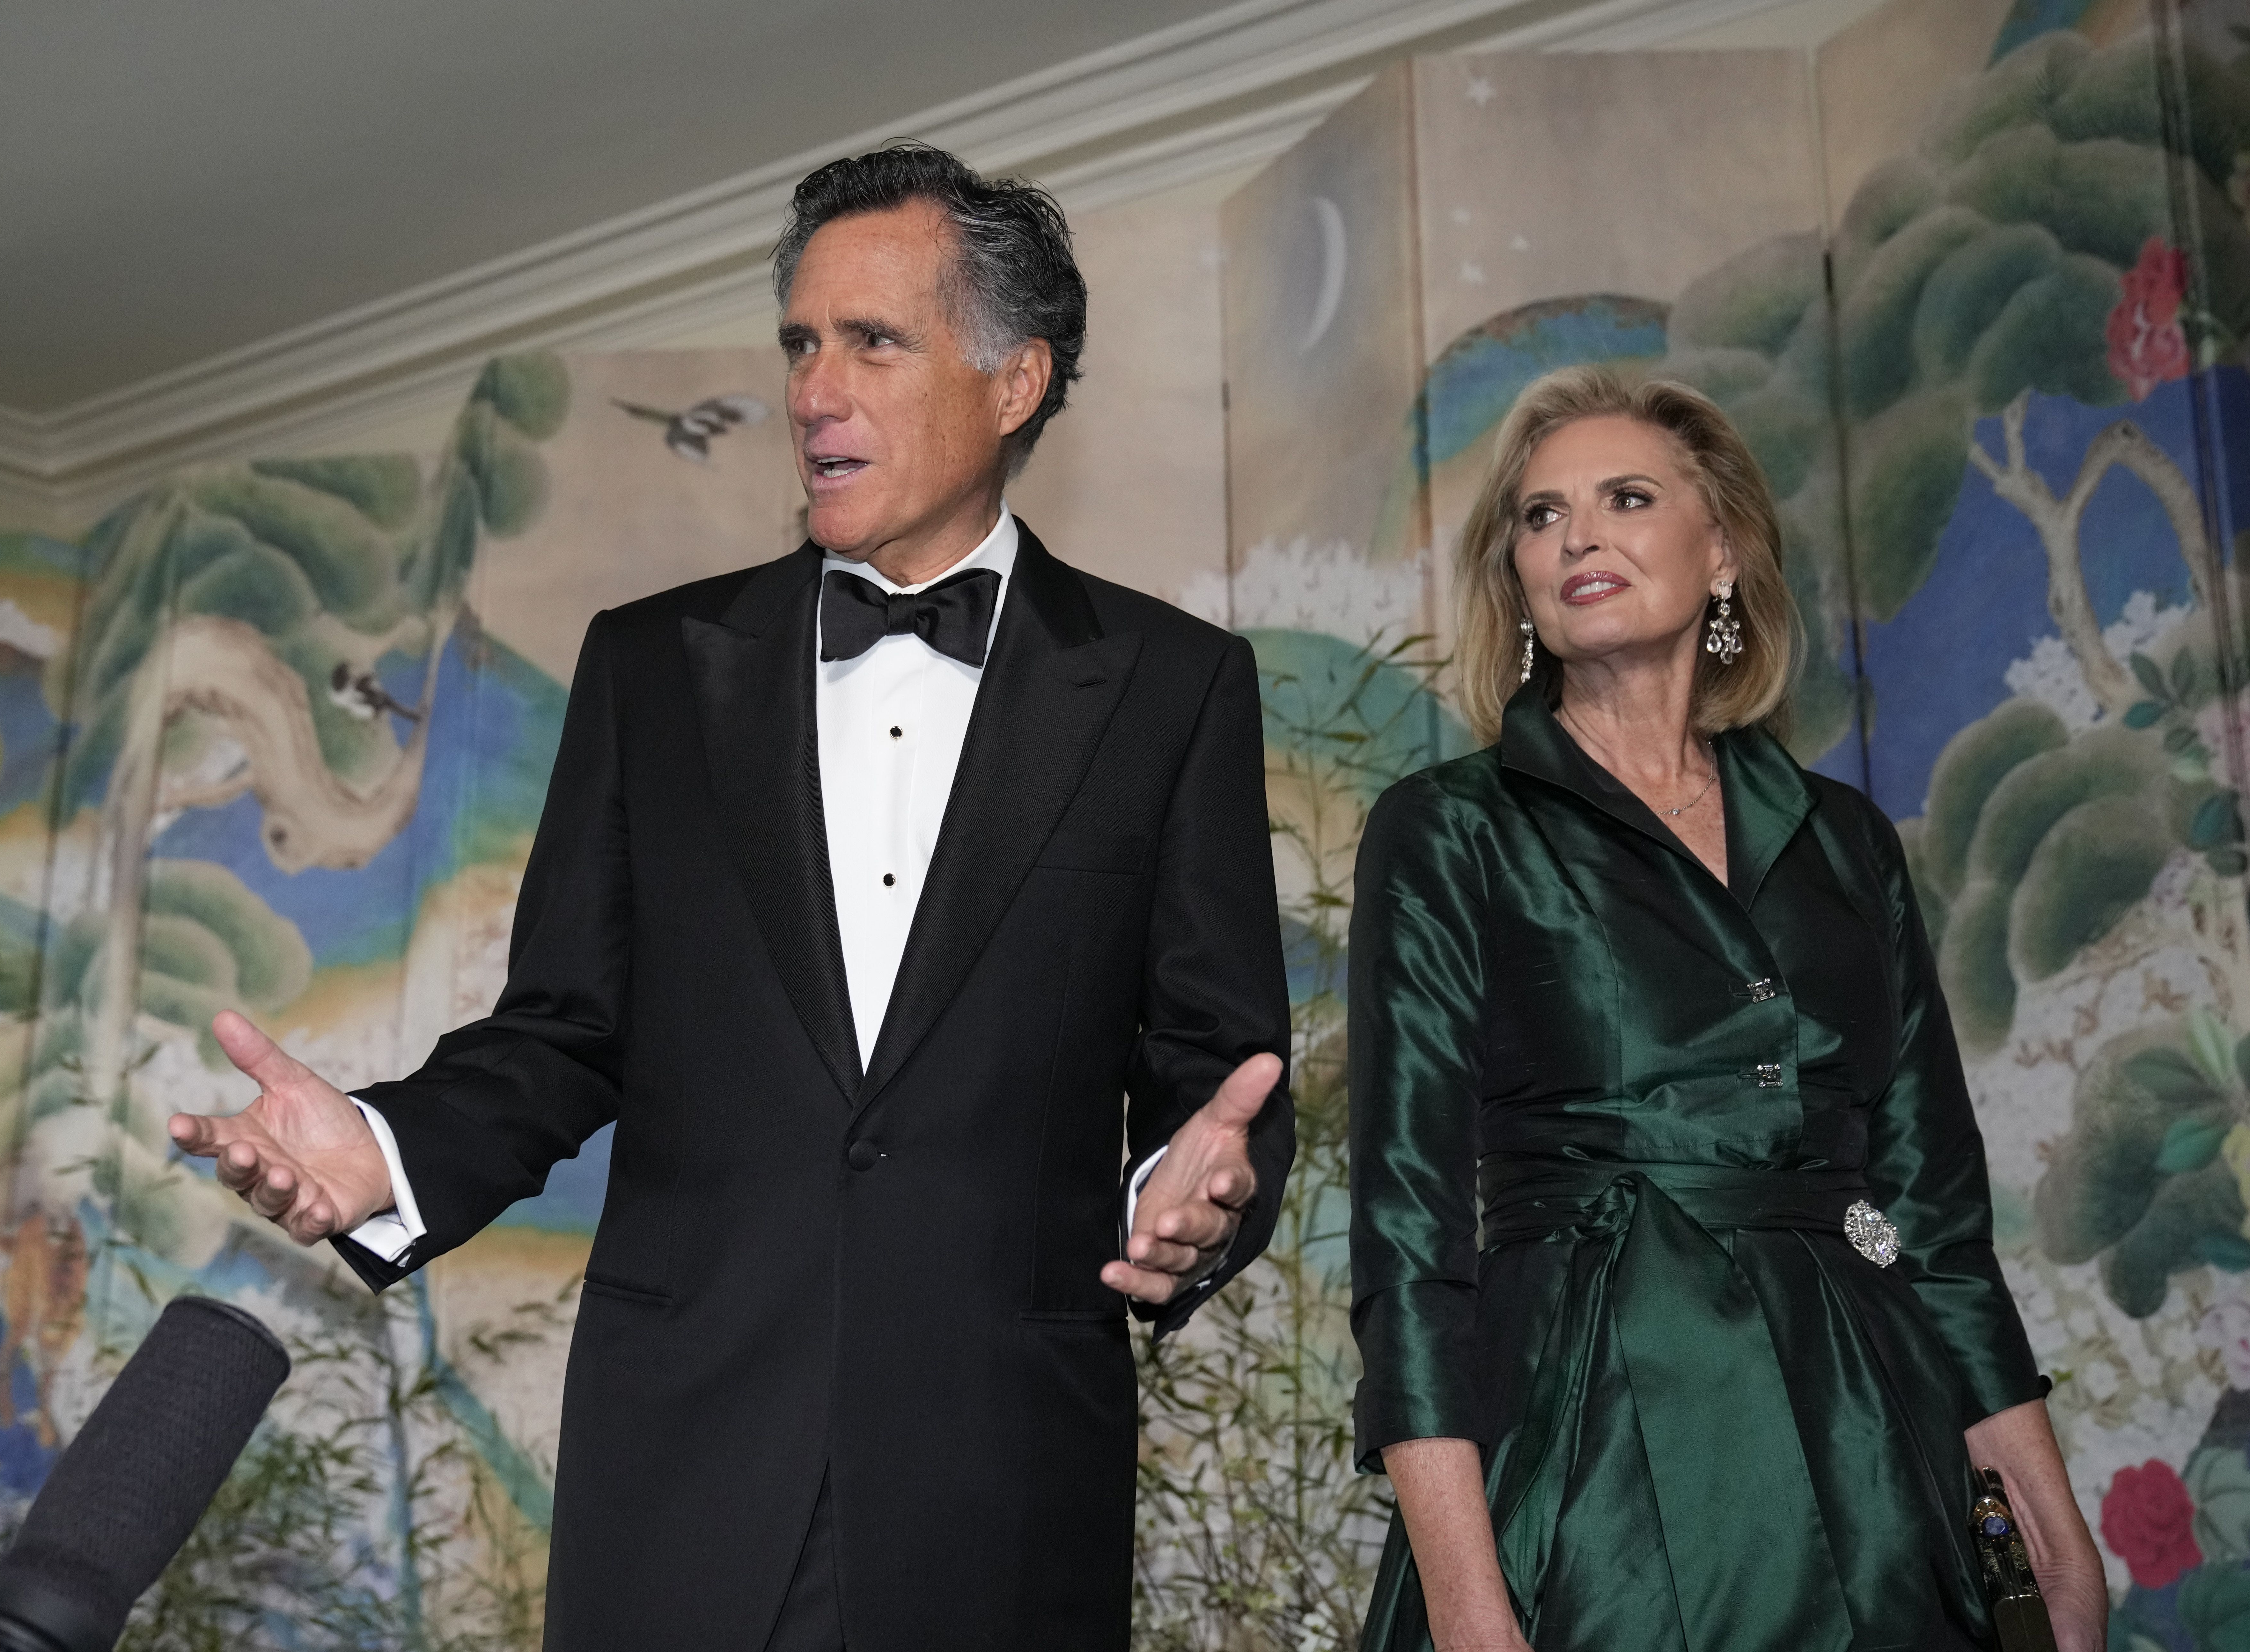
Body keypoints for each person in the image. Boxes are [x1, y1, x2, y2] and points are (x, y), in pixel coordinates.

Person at [165, 144, 1295, 1652]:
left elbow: (1216, 1065)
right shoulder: (650, 667)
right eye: (799, 344)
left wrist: (1188, 1194)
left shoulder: (1173, 686)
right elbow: (564, 1030)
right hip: (681, 1461)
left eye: (872, 342)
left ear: (1013, 383)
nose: (814, 390)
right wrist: (382, 1150)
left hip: (1002, 1476)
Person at [1346, 365, 2107, 1652]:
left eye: (1626, 498)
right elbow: (1407, 1244)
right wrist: (1467, 1606)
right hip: (1589, 1465)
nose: (1576, 536)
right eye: (1540, 516)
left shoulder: (1843, 840)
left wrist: (2050, 1523)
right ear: (1516, 578)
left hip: (1871, 1444)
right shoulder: (1448, 830)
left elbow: (1930, 1211)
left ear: (1722, 552)